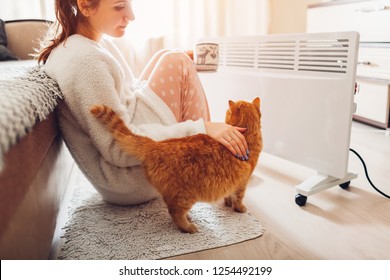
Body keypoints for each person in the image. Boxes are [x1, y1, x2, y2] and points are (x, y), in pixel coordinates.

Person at [38, 0, 249, 205]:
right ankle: (210, 167)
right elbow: (119, 150)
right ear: (84, 5)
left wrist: (176, 64)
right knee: (177, 62)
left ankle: (209, 158)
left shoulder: (89, 46)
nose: (131, 15)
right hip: (130, 179)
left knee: (170, 57)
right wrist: (202, 128)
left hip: (131, 165)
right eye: (120, 6)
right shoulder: (84, 62)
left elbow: (126, 95)